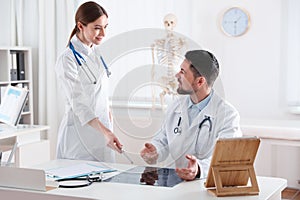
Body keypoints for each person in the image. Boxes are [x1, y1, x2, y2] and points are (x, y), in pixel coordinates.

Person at [140, 50, 242, 181]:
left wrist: (199, 169)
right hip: (175, 183)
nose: (177, 75)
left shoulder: (228, 115)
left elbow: (226, 157)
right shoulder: (175, 106)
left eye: (183, 72)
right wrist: (155, 150)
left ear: (200, 81)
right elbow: (163, 138)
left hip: (207, 184)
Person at [55, 1, 122, 162]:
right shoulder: (67, 60)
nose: (103, 33)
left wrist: (108, 116)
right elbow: (79, 104)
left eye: (105, 27)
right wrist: (106, 131)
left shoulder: (95, 53)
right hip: (79, 138)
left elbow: (99, 93)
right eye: (97, 28)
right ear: (80, 26)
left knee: (106, 184)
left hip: (102, 134)